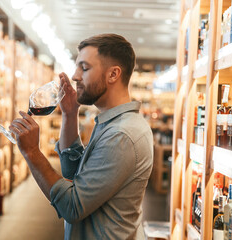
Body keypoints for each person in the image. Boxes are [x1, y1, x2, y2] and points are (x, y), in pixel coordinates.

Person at [10, 33, 153, 239]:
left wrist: (32, 152)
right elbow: (73, 173)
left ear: (113, 74)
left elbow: (72, 207)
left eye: (84, 68)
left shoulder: (121, 135)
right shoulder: (112, 123)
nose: (75, 76)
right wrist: (70, 114)